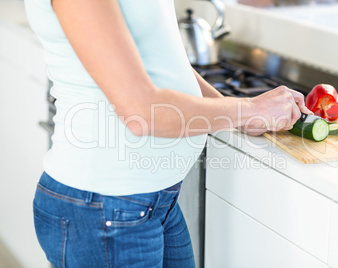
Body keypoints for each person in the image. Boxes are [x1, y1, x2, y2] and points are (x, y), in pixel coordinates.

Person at [25, 0, 311, 267]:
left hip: (155, 202)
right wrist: (248, 108)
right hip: (103, 208)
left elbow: (166, 61)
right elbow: (141, 112)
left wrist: (241, 118)